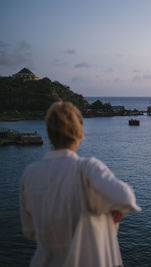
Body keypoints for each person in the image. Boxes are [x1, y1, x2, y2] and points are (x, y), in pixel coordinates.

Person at [19, 101, 141, 267]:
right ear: (80, 133)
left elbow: (30, 231)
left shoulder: (29, 174)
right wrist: (106, 211)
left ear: (49, 134)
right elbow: (127, 198)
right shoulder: (87, 168)